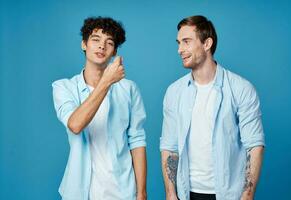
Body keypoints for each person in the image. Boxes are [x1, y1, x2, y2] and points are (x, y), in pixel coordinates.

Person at [160, 15, 265, 200]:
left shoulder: (241, 89)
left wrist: (247, 195)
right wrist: (170, 193)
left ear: (207, 43)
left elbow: (254, 145)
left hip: (229, 194)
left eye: (186, 42)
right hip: (187, 193)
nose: (179, 49)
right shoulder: (174, 92)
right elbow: (169, 146)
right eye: (178, 43)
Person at [52, 16, 147, 200]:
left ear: (114, 52)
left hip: (123, 191)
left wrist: (141, 193)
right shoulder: (63, 87)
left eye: (109, 42)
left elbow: (137, 140)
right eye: (96, 39)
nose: (102, 46)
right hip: (79, 193)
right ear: (84, 44)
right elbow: (75, 124)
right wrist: (106, 81)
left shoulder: (129, 89)